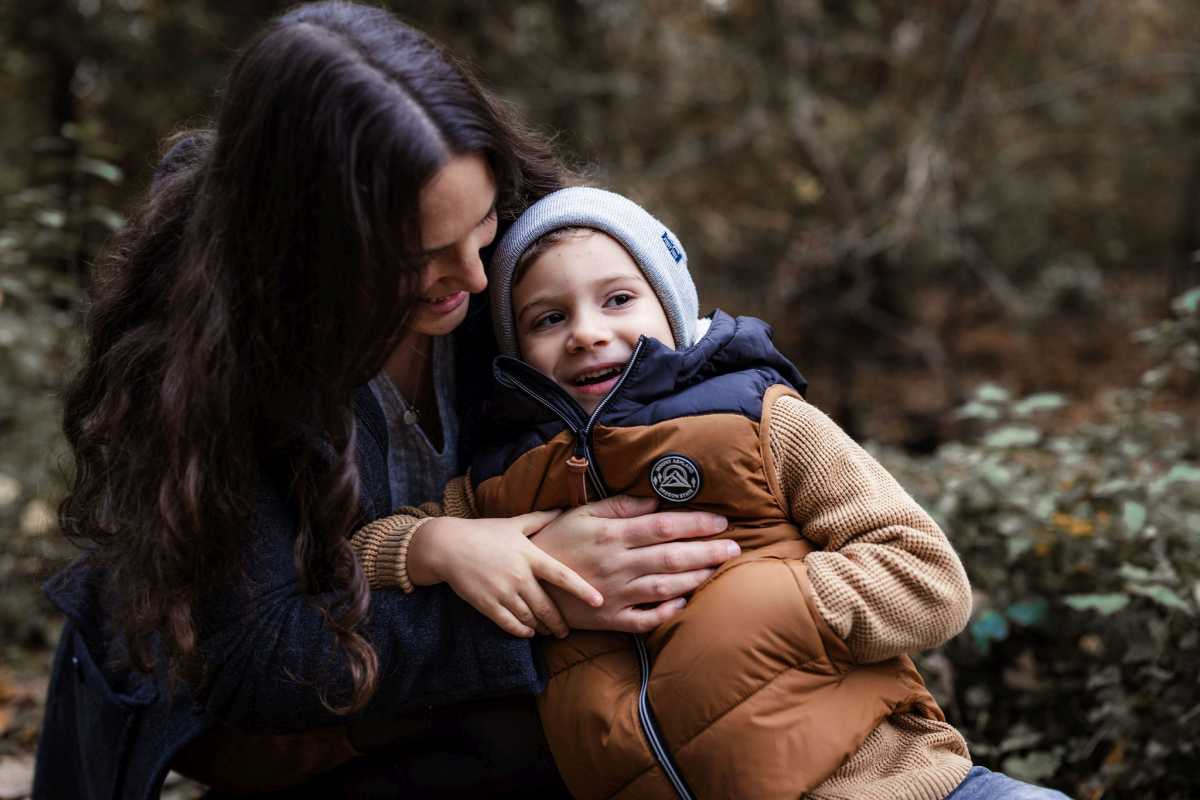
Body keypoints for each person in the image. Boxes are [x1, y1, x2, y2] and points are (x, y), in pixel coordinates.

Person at [32, 5, 740, 799]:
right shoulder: (215, 350)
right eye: (421, 260)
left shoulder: (524, 256)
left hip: (469, 699)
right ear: (309, 251)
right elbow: (258, 654)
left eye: (480, 228)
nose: (476, 280)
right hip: (277, 722)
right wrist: (547, 595)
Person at [353, 187, 1074, 800]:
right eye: (550, 318)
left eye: (617, 299)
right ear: (516, 350)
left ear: (671, 304)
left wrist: (781, 606)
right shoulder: (503, 484)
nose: (587, 333)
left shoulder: (758, 419)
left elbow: (926, 575)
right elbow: (355, 555)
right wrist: (435, 543)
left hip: (887, 782)